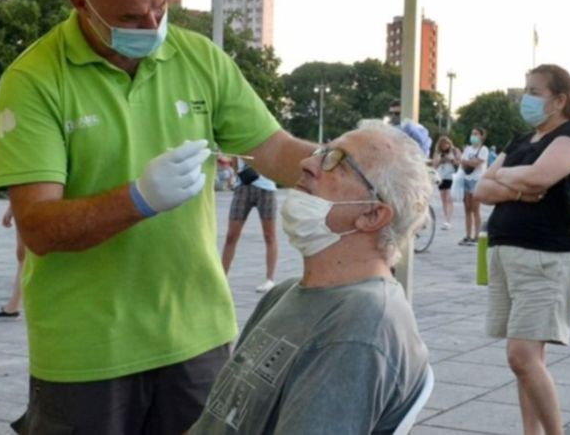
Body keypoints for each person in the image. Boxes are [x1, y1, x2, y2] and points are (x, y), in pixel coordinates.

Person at [0, 0, 317, 435]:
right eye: (129, 16)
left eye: (160, 8)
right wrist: (138, 199)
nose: (150, 23)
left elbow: (273, 149)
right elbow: (38, 226)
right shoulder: (33, 79)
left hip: (196, 338)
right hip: (86, 352)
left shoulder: (198, 58)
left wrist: (350, 164)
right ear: (80, 2)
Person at [189, 122, 432, 434]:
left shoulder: (360, 324)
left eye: (336, 161)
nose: (307, 163)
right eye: (322, 151)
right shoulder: (287, 292)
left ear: (373, 214)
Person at [479, 64, 570, 435]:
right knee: (526, 360)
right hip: (505, 253)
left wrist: (506, 177)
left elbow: (540, 178)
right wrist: (517, 188)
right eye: (525, 90)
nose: (526, 98)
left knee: (522, 356)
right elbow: (481, 190)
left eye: (534, 92)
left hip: (547, 257)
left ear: (560, 100)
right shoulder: (520, 142)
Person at [222, 160, 279, 293]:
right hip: (243, 186)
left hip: (266, 187)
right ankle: (222, 277)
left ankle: (269, 279)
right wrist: (236, 175)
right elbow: (235, 157)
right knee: (231, 236)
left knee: (269, 235)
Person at [458, 127, 489, 246]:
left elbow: (476, 163)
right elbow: (463, 162)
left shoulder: (484, 149)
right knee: (467, 208)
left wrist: (467, 162)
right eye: (472, 133)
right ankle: (467, 235)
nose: (473, 136)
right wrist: (468, 162)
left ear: (481, 136)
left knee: (476, 209)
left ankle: (477, 236)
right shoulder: (468, 149)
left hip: (477, 180)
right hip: (466, 179)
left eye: (476, 134)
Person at [433, 135, 460, 231]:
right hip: (441, 177)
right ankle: (445, 218)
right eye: (442, 144)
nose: (445, 146)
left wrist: (450, 159)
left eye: (446, 144)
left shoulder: (454, 151)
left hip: (451, 176)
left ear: (449, 143)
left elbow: (459, 163)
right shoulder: (438, 153)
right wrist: (440, 160)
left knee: (449, 199)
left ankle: (448, 220)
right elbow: (434, 165)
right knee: (443, 199)